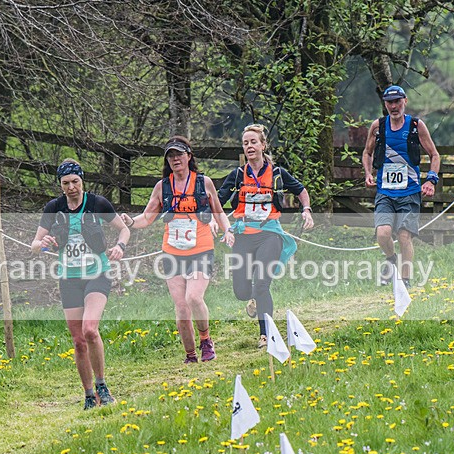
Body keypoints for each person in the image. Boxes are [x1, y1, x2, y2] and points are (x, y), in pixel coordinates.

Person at [121, 136, 233, 364]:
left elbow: (218, 211)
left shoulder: (204, 182)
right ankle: (190, 355)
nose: (175, 159)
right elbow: (147, 216)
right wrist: (131, 222)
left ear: (189, 156)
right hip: (172, 251)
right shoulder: (162, 186)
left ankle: (206, 341)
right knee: (181, 307)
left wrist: (228, 230)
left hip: (201, 248)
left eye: (179, 154)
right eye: (170, 156)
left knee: (193, 297)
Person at [31, 158, 130, 410]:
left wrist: (120, 246)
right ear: (60, 184)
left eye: (75, 181)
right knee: (77, 340)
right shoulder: (54, 207)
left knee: (90, 330)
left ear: (82, 180)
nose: (71, 187)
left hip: (97, 273)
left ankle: (102, 386)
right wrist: (45, 243)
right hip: (69, 278)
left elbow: (124, 230)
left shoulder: (97, 203)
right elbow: (35, 244)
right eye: (66, 183)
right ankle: (88, 395)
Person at [217, 124, 314, 349]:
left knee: (262, 283)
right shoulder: (238, 175)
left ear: (263, 145)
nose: (250, 146)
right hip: (243, 235)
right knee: (241, 292)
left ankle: (266, 335)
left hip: (270, 234)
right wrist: (218, 223)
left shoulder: (278, 173)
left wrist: (306, 210)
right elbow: (218, 202)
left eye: (253, 142)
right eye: (245, 143)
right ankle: (251, 298)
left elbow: (301, 191)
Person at [363, 85, 441, 288]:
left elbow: (434, 155)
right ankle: (390, 259)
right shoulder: (378, 126)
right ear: (385, 104)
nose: (394, 106)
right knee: (383, 234)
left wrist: (431, 180)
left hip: (410, 192)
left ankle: (404, 281)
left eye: (397, 101)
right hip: (385, 192)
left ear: (405, 101)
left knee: (405, 235)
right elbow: (367, 153)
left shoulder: (416, 125)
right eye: (390, 102)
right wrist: (368, 173)